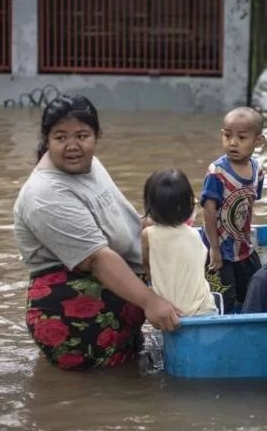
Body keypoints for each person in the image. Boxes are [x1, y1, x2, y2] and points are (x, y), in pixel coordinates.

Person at [13, 95, 180, 371]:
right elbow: (97, 258)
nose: (72, 146)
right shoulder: (44, 194)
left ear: (97, 135)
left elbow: (121, 222)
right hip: (76, 321)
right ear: (46, 139)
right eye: (60, 137)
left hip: (119, 299)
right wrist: (151, 301)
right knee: (107, 392)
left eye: (82, 135)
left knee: (130, 377)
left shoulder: (89, 164)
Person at [201, 106, 265, 314]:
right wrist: (214, 248)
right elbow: (208, 211)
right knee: (223, 300)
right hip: (220, 249)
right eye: (228, 136)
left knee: (255, 289)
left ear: (258, 141)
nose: (233, 143)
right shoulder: (217, 172)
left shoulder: (258, 171)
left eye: (242, 137)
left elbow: (249, 206)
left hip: (243, 247)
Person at [141, 168, 218, 316]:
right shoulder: (194, 235)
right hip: (205, 310)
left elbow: (146, 265)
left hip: (171, 314)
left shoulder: (148, 235)